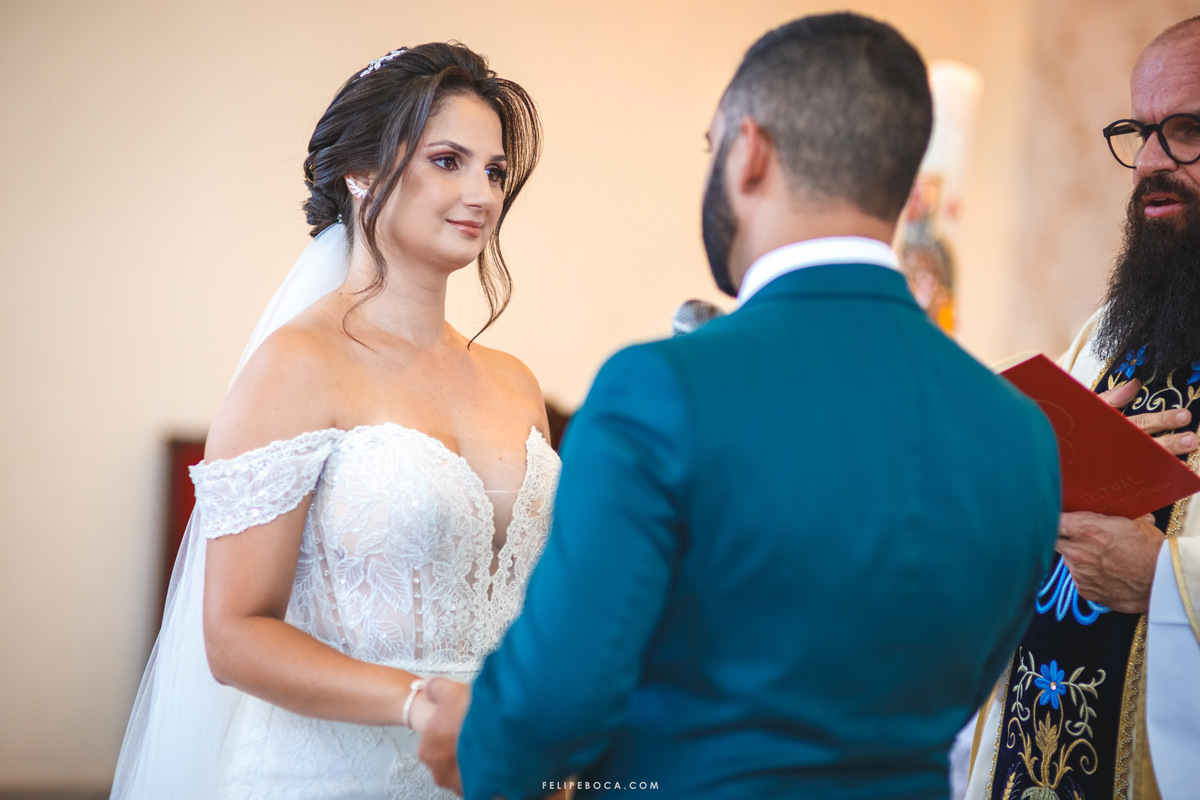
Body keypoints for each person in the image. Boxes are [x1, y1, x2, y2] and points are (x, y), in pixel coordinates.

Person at [413, 13, 1062, 799]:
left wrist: (478, 740)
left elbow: (554, 709)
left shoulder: (660, 390)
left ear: (749, 152)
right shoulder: (1023, 433)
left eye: (712, 147)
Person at [110, 42, 559, 799]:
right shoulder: (295, 368)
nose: (481, 194)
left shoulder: (516, 383)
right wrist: (421, 703)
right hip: (328, 776)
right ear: (361, 171)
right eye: (447, 161)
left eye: (493, 171)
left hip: (493, 770)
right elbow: (235, 635)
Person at [964, 18, 1200, 800]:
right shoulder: (1106, 337)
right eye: (1140, 132)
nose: (1151, 162)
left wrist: (1163, 580)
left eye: (1189, 131)